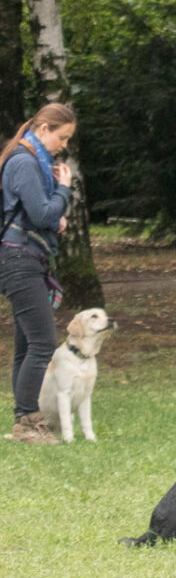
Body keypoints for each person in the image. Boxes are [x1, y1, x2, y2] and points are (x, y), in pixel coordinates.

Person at [4, 104, 77, 444]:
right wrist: (63, 189)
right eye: (62, 138)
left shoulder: (30, 160)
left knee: (26, 346)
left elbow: (39, 215)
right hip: (20, 260)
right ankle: (29, 423)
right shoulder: (24, 162)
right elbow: (43, 213)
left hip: (24, 257)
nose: (63, 145)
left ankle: (24, 421)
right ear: (45, 128)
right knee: (43, 342)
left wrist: (54, 217)